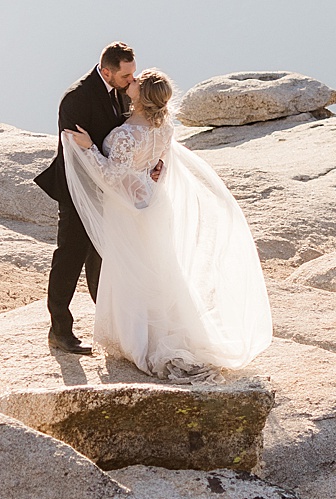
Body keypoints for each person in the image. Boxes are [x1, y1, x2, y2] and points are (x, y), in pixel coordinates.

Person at [59, 67, 273, 379]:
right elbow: (158, 164)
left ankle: (139, 340)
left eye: (136, 81)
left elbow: (109, 176)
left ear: (142, 98)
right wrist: (149, 176)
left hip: (128, 208)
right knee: (156, 267)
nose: (130, 81)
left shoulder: (125, 135)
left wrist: (88, 146)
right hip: (153, 201)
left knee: (132, 269)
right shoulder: (164, 127)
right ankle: (155, 328)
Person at [33, 42, 138, 352]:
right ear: (106, 71)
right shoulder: (77, 98)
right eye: (126, 76)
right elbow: (76, 154)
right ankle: (60, 331)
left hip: (107, 190)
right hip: (77, 191)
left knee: (101, 258)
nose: (133, 80)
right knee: (69, 258)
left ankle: (107, 326)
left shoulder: (122, 91)